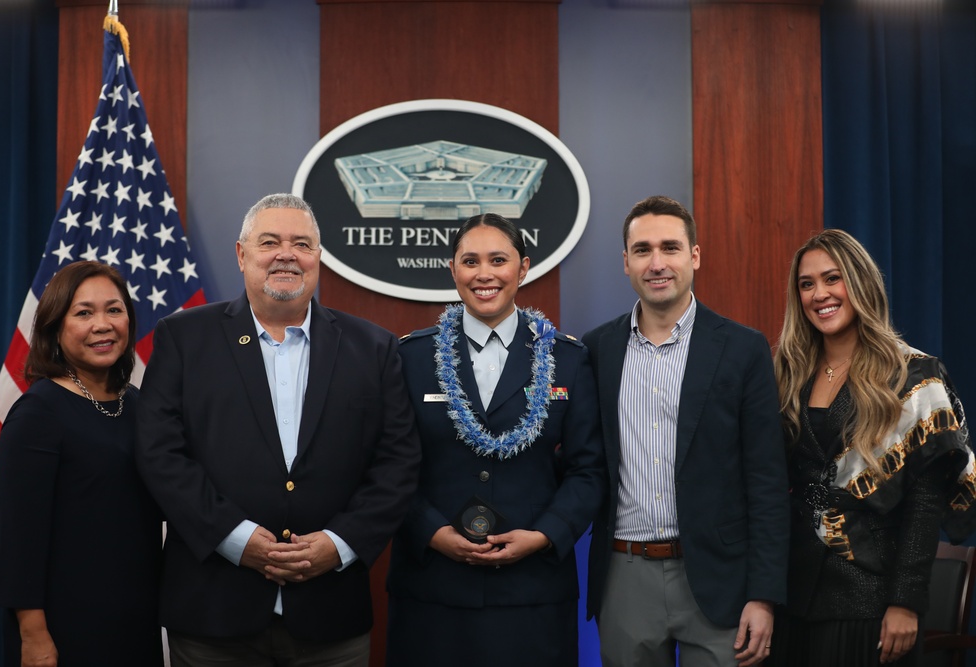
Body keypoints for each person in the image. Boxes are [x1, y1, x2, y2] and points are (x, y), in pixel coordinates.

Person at [135, 193, 421, 666]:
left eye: (302, 243)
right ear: (241, 254)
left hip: (332, 616)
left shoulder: (374, 348)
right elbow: (160, 453)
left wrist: (341, 543)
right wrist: (234, 537)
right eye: (270, 242)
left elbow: (398, 462)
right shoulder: (183, 338)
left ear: (318, 258)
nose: (287, 253)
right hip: (213, 614)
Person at [385, 213, 605, 666]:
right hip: (433, 591)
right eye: (470, 261)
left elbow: (590, 470)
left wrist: (545, 535)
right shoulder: (410, 357)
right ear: (453, 269)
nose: (484, 274)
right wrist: (432, 533)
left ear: (523, 268)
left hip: (533, 593)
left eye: (498, 260)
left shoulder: (567, 358)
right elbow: (388, 466)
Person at [583, 195, 790, 667]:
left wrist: (763, 596)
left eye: (670, 248)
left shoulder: (743, 349)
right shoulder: (595, 350)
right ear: (626, 262)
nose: (657, 263)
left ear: (694, 256)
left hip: (720, 581)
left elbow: (768, 483)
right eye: (643, 250)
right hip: (625, 575)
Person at [770, 229, 976, 666]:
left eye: (832, 278)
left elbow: (925, 504)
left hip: (870, 599)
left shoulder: (914, 376)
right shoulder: (787, 374)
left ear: (860, 282)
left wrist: (906, 602)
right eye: (806, 284)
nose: (819, 294)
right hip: (791, 597)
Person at [0, 260, 162, 666]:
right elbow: (16, 539)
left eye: (114, 310)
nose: (102, 324)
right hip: (64, 627)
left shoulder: (139, 405)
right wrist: (33, 635)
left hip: (137, 619)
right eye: (83, 313)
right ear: (55, 327)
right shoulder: (38, 413)